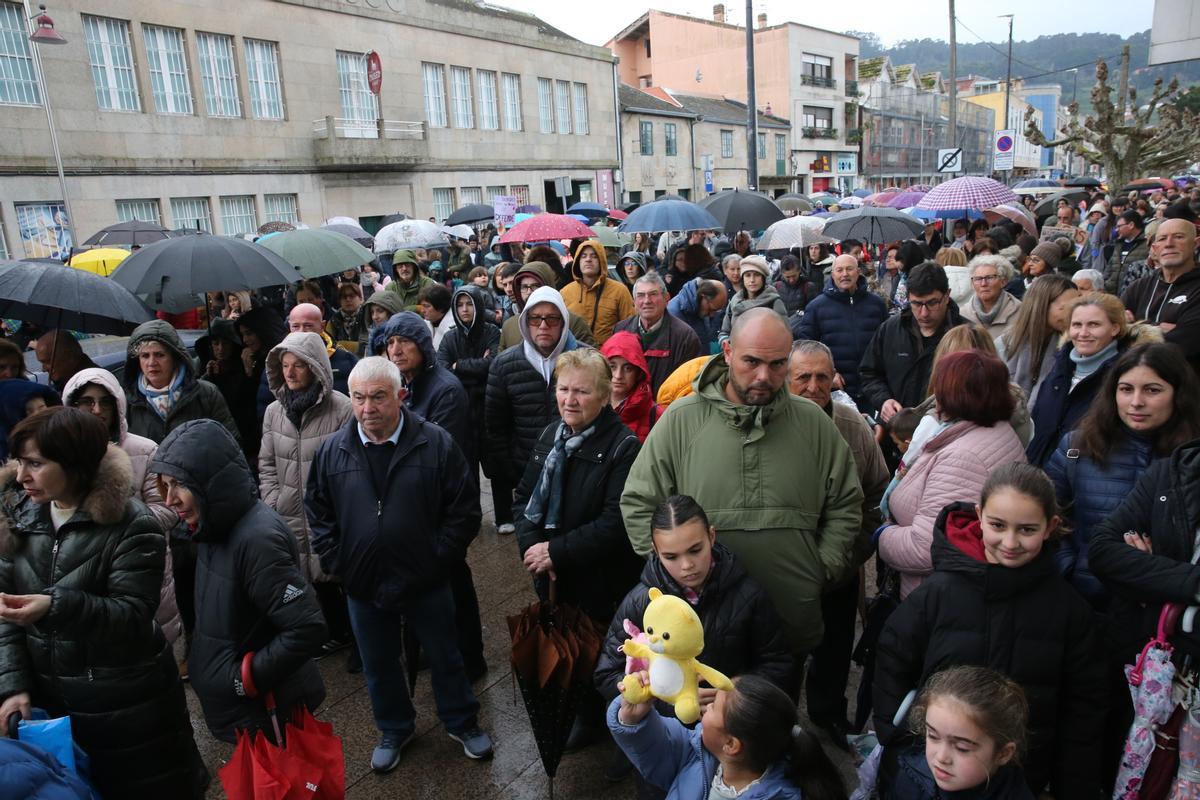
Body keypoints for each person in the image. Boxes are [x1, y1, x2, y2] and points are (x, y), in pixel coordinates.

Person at [621, 309, 863, 660]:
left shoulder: (814, 423)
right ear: (728, 352)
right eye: (752, 361)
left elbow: (845, 502)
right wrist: (673, 572)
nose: (764, 376)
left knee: (777, 711)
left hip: (789, 622)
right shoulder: (681, 419)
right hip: (697, 632)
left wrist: (820, 568)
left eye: (778, 364)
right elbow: (639, 502)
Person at [0, 408, 207, 797]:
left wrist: (55, 606)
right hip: (52, 712)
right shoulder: (19, 518)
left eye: (36, 464)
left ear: (75, 464)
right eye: (20, 462)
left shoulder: (132, 524)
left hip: (127, 712)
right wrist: (13, 687)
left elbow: (133, 615)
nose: (22, 476)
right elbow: (4, 615)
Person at [874, 463, 1104, 799]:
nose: (1010, 542)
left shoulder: (1069, 611)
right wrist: (897, 737)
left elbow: (1085, 708)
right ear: (980, 516)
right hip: (932, 774)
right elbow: (893, 658)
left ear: (1050, 526)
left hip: (1022, 778)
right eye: (998, 525)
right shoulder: (939, 593)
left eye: (1026, 529)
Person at [306, 357, 493, 772]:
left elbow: (462, 510)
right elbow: (318, 511)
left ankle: (461, 721)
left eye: (377, 397)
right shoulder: (332, 452)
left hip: (426, 579)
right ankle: (394, 727)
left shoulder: (436, 443)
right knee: (378, 662)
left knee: (447, 654)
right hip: (363, 582)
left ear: (400, 396)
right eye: (358, 398)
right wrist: (338, 561)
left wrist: (437, 559)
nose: (368, 408)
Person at [152, 419, 327, 744]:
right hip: (251, 712)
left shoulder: (256, 540)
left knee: (300, 791)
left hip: (270, 710)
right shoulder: (212, 528)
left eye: (180, 485)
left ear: (210, 483)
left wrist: (246, 679)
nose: (169, 499)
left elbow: (307, 627)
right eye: (166, 485)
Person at [513, 347, 643, 749]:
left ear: (605, 396)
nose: (570, 400)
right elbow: (523, 499)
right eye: (563, 389)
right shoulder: (551, 435)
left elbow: (614, 522)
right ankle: (588, 719)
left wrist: (558, 551)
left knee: (610, 659)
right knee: (573, 652)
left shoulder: (624, 447)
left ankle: (628, 729)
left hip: (602, 581)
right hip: (554, 577)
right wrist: (533, 548)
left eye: (582, 392)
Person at [370, 311, 485, 678]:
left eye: (404, 341)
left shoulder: (445, 389)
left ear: (422, 344)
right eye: (390, 342)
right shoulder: (401, 383)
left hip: (444, 502)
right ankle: (430, 653)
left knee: (452, 580)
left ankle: (469, 658)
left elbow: (434, 452)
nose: (397, 349)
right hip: (411, 502)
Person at [1045, 343, 1200, 610]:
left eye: (1152, 390)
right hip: (1080, 603)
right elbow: (1045, 518)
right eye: (1126, 389)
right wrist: (1070, 569)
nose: (1136, 402)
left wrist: (1153, 567)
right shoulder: (1076, 446)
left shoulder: (1191, 460)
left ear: (1178, 394)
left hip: (1158, 614)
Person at [787, 341, 889, 742]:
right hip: (785, 570)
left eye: (822, 377)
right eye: (803, 377)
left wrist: (851, 553)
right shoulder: (768, 421)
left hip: (839, 570)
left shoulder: (851, 425)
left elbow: (878, 493)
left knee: (834, 648)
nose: (813, 386)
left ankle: (827, 715)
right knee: (783, 655)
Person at [877, 351, 1026, 598]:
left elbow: (925, 549)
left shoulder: (964, 456)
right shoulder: (990, 429)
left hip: (936, 599)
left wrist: (882, 534)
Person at [61, 367, 183, 658]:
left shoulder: (144, 450)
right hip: (86, 569)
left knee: (155, 652)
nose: (97, 410)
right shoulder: (60, 455)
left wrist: (124, 523)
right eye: (87, 402)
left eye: (105, 402)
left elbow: (169, 508)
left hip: (144, 561)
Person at [259, 331, 354, 653]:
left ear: (315, 366)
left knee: (337, 575)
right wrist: (272, 500)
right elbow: (267, 462)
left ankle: (351, 637)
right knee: (305, 578)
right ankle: (328, 631)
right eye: (285, 365)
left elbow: (350, 464)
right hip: (287, 510)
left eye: (299, 364)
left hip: (329, 511)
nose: (290, 371)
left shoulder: (341, 408)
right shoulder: (274, 411)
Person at [609, 672, 846, 800]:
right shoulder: (701, 753)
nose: (707, 704)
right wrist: (632, 716)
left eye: (714, 706)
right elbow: (660, 746)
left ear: (731, 744)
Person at [486, 286, 584, 538]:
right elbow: (496, 427)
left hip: (578, 472)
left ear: (563, 321)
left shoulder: (584, 360)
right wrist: (513, 471)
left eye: (551, 318)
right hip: (526, 475)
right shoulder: (504, 364)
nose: (543, 325)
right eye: (535, 318)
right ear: (525, 321)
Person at [1025, 293, 1146, 467]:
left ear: (1115, 328)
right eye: (1076, 325)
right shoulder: (1059, 367)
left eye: (1094, 324)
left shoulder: (1126, 376)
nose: (1083, 333)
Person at [885, 666, 1036, 800]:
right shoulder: (911, 776)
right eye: (932, 736)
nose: (941, 757)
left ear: (1002, 753)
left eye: (962, 748)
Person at [860, 262, 964, 421]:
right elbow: (869, 372)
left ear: (947, 296)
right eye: (916, 303)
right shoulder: (890, 329)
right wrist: (884, 400)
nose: (924, 313)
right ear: (908, 298)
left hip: (945, 434)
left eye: (932, 303)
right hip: (895, 433)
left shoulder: (965, 335)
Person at [121, 319, 240, 444]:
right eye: (145, 356)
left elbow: (231, 446)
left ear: (175, 357)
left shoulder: (206, 394)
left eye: (159, 355)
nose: (151, 363)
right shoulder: (126, 401)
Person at [795, 254, 888, 411]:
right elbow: (806, 347)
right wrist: (829, 374)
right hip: (837, 391)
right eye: (839, 270)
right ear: (833, 275)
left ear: (858, 272)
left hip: (873, 390)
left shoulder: (876, 304)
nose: (845, 274)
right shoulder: (816, 307)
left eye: (849, 269)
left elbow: (887, 344)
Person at [1122, 218, 1200, 371]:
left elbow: (1186, 343)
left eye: (1179, 237)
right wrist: (1159, 329)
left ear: (1196, 243)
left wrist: (1134, 328)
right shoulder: (1139, 287)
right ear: (1155, 248)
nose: (1169, 244)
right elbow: (1112, 331)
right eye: (1162, 239)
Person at [997, 274, 1079, 407]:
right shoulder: (1004, 345)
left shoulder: (1071, 347)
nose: (1073, 314)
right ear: (1042, 305)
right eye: (1065, 308)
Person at [613, 272, 702, 395]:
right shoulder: (620, 329)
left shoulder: (685, 337)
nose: (647, 301)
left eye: (653, 294)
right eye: (640, 295)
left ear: (667, 298)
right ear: (634, 301)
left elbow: (688, 387)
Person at [196, 318, 259, 463]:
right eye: (215, 343)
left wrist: (248, 373)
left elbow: (248, 402)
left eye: (225, 343)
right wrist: (208, 376)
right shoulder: (204, 367)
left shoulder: (244, 365)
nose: (220, 349)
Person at [497, 261, 597, 351]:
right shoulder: (509, 326)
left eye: (535, 286)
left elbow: (593, 363)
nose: (529, 292)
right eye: (524, 287)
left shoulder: (574, 323)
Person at [562, 239, 635, 346]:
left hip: (609, 358)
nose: (588, 259)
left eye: (594, 256)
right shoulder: (565, 293)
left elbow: (630, 329)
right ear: (577, 261)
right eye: (583, 256)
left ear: (601, 260)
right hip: (575, 358)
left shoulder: (620, 291)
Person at [287, 303, 357, 397]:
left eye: (308, 326)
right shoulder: (276, 360)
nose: (301, 331)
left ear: (322, 326)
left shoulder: (346, 360)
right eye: (295, 326)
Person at [601, 331, 659, 444]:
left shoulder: (657, 415)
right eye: (612, 366)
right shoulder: (588, 404)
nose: (618, 376)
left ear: (639, 372)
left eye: (628, 368)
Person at [718, 256, 787, 343]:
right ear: (742, 278)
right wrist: (728, 344)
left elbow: (784, 335)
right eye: (747, 275)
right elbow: (724, 332)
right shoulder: (735, 302)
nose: (752, 280)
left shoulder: (774, 302)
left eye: (757, 275)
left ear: (763, 278)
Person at [238, 305, 289, 419]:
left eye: (249, 333)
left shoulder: (282, 359)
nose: (245, 340)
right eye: (243, 335)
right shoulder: (253, 358)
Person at [959, 255, 1021, 340]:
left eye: (990, 278)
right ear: (972, 283)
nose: (983, 283)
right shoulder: (962, 314)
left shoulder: (1020, 313)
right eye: (978, 279)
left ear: (1003, 281)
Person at [667, 277, 727, 355]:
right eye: (711, 309)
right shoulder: (674, 313)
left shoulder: (700, 308)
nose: (711, 315)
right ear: (703, 296)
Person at [32, 331, 97, 392]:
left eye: (48, 361)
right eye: (42, 363)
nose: (44, 369)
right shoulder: (66, 381)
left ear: (69, 356)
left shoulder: (92, 386)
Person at [1104, 210, 1149, 294]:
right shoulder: (1118, 244)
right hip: (1112, 293)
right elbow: (1110, 266)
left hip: (1133, 294)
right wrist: (1106, 282)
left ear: (1131, 225)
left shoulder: (1147, 245)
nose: (1117, 230)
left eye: (1119, 226)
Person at [328, 281, 367, 352]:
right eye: (344, 297)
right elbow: (329, 345)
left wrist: (342, 344)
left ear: (361, 299)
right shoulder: (334, 320)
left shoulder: (368, 316)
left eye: (352, 296)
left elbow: (368, 344)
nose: (348, 299)